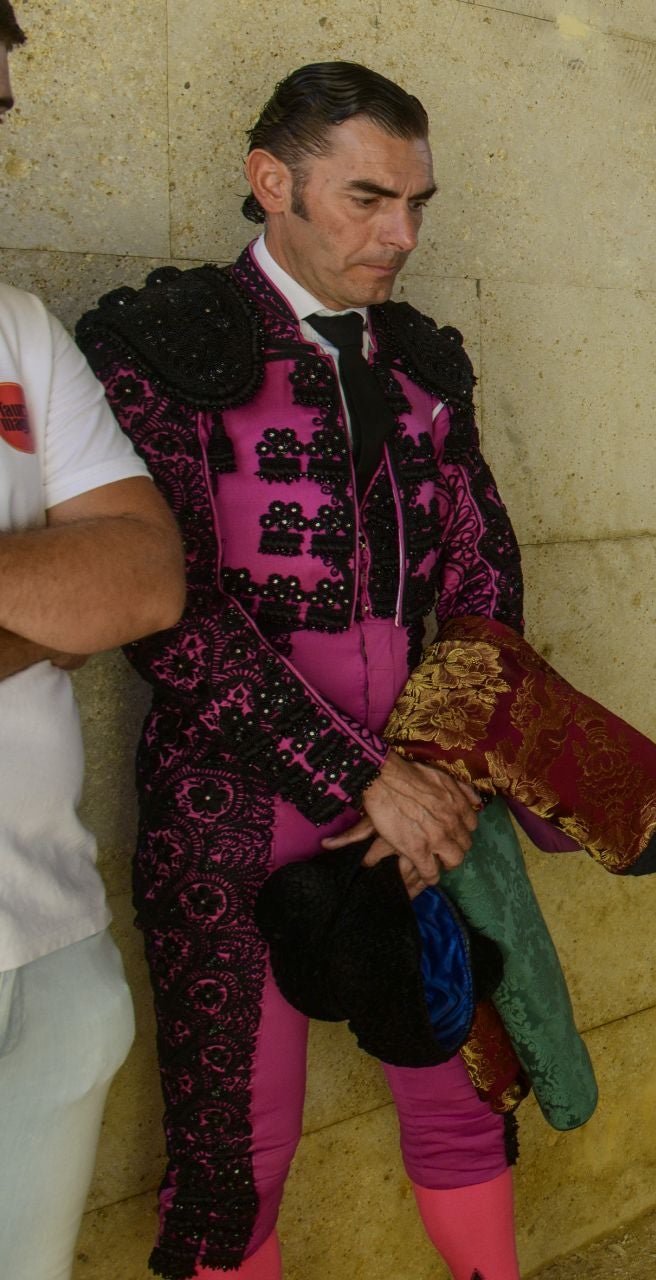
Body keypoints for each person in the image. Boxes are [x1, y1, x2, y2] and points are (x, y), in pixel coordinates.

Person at [76, 63, 528, 1279]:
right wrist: (362, 771)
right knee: (235, 1158)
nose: (403, 234)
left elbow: (486, 571)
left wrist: (433, 765)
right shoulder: (161, 344)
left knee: (466, 1094)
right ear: (271, 183)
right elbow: (167, 612)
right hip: (236, 805)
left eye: (419, 202)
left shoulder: (427, 359)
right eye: (369, 198)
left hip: (422, 797)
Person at [0, 11, 189, 1278]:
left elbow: (143, 572)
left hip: (48, 932)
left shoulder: (14, 326)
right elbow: (79, 588)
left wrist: (83, 597)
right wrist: (33, 615)